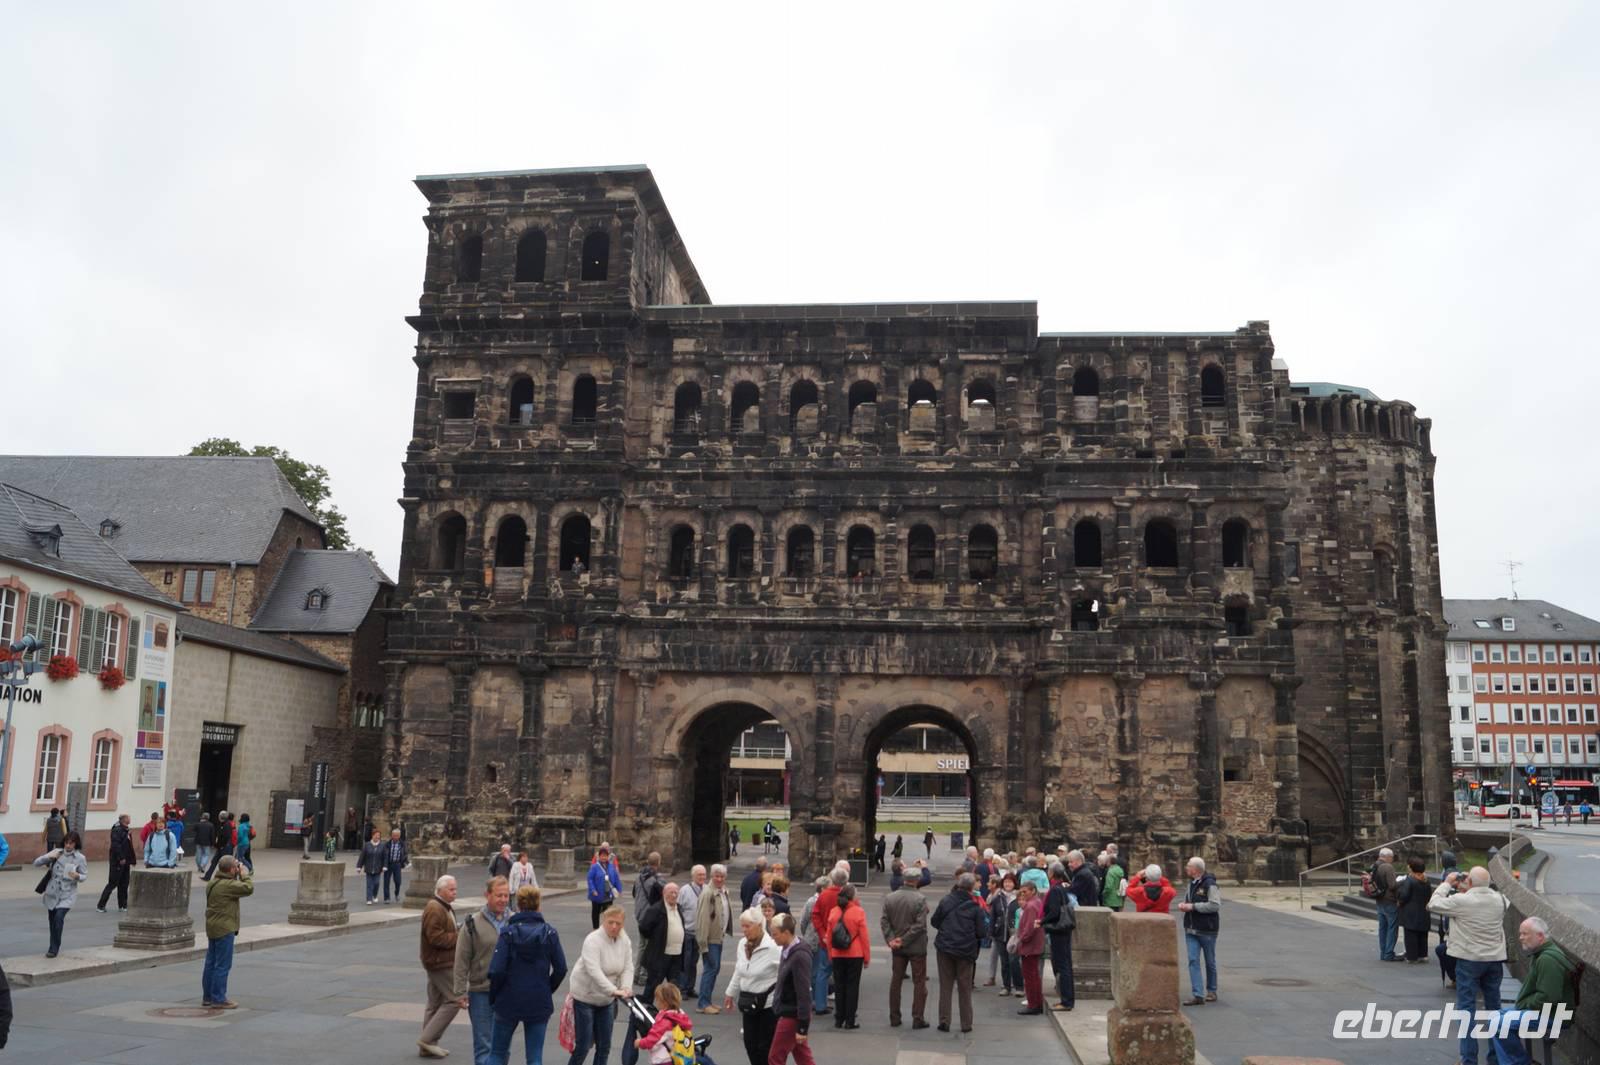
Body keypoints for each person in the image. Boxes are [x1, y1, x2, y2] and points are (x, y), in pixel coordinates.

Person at [1428, 866, 1510, 1065]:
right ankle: (1495, 1058)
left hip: (1469, 960)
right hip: (1494, 961)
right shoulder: (1501, 900)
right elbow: (1486, 895)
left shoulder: (1462, 901)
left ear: (1470, 882)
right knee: (1494, 1010)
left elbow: (1433, 904)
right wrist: (1473, 885)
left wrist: (1448, 882)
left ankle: (1469, 1059)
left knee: (1466, 1010)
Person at [487, 884, 568, 1065]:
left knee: (497, 1054)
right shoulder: (549, 933)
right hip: (538, 998)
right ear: (538, 904)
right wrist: (547, 988)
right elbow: (561, 968)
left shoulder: (508, 933)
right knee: (534, 1057)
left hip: (508, 998)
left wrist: (495, 995)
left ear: (518, 905)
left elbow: (496, 969)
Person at [1487, 916, 1578, 1065]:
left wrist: (1524, 1004)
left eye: (1525, 934)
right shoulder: (1542, 954)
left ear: (1540, 936)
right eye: (1520, 934)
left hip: (1554, 1015)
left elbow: (1549, 997)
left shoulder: (1547, 959)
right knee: (1494, 1017)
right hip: (1547, 1011)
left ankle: (1520, 1062)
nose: (1521, 938)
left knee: (1500, 1024)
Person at [456, 875, 512, 1065]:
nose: (503, 900)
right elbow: (461, 959)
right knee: (484, 1045)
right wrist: (460, 991)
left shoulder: (514, 922)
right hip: (481, 991)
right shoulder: (472, 923)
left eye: (506, 895)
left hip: (507, 992)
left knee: (503, 1047)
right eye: (499, 895)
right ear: (487, 895)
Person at [626, 881, 683, 1065]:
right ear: (664, 893)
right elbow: (644, 927)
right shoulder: (657, 909)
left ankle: (672, 1013)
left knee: (673, 986)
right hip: (660, 955)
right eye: (671, 892)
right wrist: (657, 938)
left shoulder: (679, 908)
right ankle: (647, 1013)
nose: (674, 895)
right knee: (653, 985)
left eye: (676, 892)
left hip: (675, 954)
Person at [569, 905, 634, 1065]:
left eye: (618, 923)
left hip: (607, 1000)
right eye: (610, 922)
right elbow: (594, 971)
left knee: (604, 1046)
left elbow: (628, 967)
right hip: (586, 996)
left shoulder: (624, 940)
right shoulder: (592, 940)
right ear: (604, 921)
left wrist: (626, 987)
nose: (614, 926)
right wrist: (614, 991)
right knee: (583, 1046)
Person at [724, 908, 780, 1065]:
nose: (744, 930)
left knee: (764, 1048)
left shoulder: (772, 947)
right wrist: (730, 993)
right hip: (748, 1002)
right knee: (750, 1044)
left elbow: (787, 971)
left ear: (759, 925)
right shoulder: (742, 944)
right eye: (742, 926)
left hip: (768, 1005)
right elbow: (739, 970)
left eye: (747, 926)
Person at [931, 872, 984, 1034]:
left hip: (945, 947)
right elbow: (981, 932)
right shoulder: (975, 907)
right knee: (965, 987)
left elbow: (934, 921)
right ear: (971, 887)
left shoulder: (946, 900)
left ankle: (944, 1021)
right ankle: (966, 1023)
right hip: (965, 950)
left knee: (945, 985)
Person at [880, 858, 930, 1029]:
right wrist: (904, 939)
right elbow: (920, 925)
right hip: (916, 946)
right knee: (919, 982)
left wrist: (891, 939)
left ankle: (894, 1017)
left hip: (897, 946)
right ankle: (918, 1018)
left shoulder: (890, 897)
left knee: (896, 981)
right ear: (916, 880)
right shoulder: (920, 899)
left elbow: (884, 921)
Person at [418, 874, 462, 1059]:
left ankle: (427, 1046)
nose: (455, 892)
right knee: (454, 1000)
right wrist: (459, 936)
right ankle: (427, 1040)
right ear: (440, 890)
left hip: (436, 960)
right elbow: (435, 938)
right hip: (439, 962)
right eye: (451, 889)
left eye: (455, 889)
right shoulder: (435, 908)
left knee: (434, 1003)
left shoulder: (442, 906)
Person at [201, 854, 252, 1008]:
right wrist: (244, 874)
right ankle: (218, 998)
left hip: (212, 926)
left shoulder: (213, 882)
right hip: (225, 928)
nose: (238, 868)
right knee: (222, 965)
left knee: (211, 963)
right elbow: (248, 888)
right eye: (236, 866)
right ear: (231, 870)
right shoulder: (228, 885)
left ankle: (208, 997)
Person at [768, 912, 815, 1065]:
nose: (772, 938)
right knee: (803, 1057)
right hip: (793, 1012)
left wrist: (802, 1027)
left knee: (775, 1057)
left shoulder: (799, 956)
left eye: (775, 934)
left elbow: (804, 992)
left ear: (786, 933)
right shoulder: (788, 948)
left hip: (792, 1014)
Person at [33, 831, 89, 958]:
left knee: (58, 918)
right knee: (52, 921)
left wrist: (78, 876)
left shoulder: (80, 858)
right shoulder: (57, 852)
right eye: (66, 842)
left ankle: (54, 948)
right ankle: (53, 945)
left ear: (76, 844)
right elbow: (36, 863)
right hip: (52, 892)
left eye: (71, 843)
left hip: (67, 894)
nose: (68, 845)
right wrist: (49, 857)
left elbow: (84, 875)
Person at [825, 882, 869, 1029]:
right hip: (855, 953)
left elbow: (829, 936)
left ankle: (839, 1018)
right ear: (852, 897)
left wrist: (830, 954)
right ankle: (850, 1020)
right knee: (852, 986)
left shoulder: (834, 912)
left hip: (837, 953)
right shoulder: (858, 912)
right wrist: (867, 957)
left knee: (839, 986)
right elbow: (864, 937)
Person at [1178, 857, 1220, 1006]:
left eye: (1188, 866)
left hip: (1207, 929)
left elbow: (1215, 905)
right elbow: (1190, 902)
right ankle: (1198, 994)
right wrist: (1185, 905)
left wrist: (1193, 907)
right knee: (1193, 960)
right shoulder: (1191, 883)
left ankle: (1212, 990)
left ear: (1195, 869)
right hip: (1191, 928)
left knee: (1210, 961)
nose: (1186, 868)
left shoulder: (1210, 884)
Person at [694, 863, 733, 1013]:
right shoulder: (708, 893)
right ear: (712, 876)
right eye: (717, 876)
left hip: (718, 937)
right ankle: (703, 1004)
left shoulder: (722, 891)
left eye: (722, 876)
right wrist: (703, 943)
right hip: (710, 939)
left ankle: (707, 1001)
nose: (719, 879)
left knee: (714, 969)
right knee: (710, 969)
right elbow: (703, 919)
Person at [1042, 863, 1076, 1012]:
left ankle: (1066, 1001)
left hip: (1059, 931)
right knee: (1066, 965)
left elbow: (1054, 912)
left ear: (1051, 873)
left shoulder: (1055, 890)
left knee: (1063, 966)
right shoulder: (1061, 887)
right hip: (1064, 930)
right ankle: (1068, 999)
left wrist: (1041, 922)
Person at [634, 984, 693, 1065]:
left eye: (657, 1000)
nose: (656, 1002)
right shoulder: (680, 1015)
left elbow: (652, 1040)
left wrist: (640, 1043)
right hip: (675, 1057)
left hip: (662, 1059)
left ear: (664, 1003)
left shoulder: (664, 1022)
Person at [1013, 880, 1046, 1015]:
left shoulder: (1030, 906)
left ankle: (1033, 1004)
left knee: (1030, 976)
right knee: (1034, 976)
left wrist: (1022, 939)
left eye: (1025, 891)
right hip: (1035, 944)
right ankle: (1037, 1003)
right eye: (1021, 892)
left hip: (1030, 946)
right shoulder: (1037, 902)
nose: (1023, 894)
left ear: (1033, 891)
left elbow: (1029, 928)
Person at [985, 872, 1018, 994]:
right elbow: (993, 915)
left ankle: (1017, 985)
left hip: (1014, 933)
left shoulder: (1019, 896)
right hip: (1000, 932)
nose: (1008, 884)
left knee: (1014, 960)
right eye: (1006, 882)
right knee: (1004, 961)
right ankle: (1006, 986)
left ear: (1014, 883)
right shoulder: (998, 897)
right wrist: (991, 931)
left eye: (1010, 882)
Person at [677, 865, 706, 999]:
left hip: (699, 933)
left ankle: (690, 987)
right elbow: (678, 909)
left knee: (694, 961)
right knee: (685, 962)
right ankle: (682, 988)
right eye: (699, 875)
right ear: (693, 876)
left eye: (703, 874)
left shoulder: (706, 889)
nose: (702, 877)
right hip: (687, 932)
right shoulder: (685, 890)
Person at [97, 813, 137, 912]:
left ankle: (123, 905)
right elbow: (116, 846)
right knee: (113, 883)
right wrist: (121, 857)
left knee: (124, 883)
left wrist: (131, 859)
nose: (130, 819)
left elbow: (128, 846)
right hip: (117, 862)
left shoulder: (126, 829)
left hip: (126, 861)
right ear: (124, 820)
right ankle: (101, 905)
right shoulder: (117, 830)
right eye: (128, 817)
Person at [1395, 856, 1431, 963]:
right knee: (1423, 934)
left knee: (1410, 934)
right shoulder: (1426, 880)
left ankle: (1412, 956)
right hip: (1424, 910)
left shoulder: (1410, 880)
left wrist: (1399, 900)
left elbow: (1404, 895)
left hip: (1410, 911)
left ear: (1411, 867)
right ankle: (1422, 955)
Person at [1371, 847, 1400, 962]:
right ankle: (1389, 953)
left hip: (1379, 899)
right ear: (1387, 857)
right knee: (1392, 927)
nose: (1392, 859)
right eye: (1392, 857)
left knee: (1382, 928)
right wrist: (1401, 881)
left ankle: (1383, 953)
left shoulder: (1375, 865)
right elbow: (1392, 885)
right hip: (1389, 900)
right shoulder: (1387, 867)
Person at [586, 844, 622, 928]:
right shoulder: (594, 867)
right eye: (602, 856)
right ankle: (595, 928)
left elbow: (616, 878)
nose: (604, 858)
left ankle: (606, 927)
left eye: (605, 856)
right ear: (599, 857)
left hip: (608, 893)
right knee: (596, 911)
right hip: (597, 893)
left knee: (608, 912)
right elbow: (590, 879)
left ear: (608, 857)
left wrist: (619, 889)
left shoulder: (611, 866)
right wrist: (593, 890)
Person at [357, 829, 385, 904]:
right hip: (369, 867)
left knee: (376, 883)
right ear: (372, 836)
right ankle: (369, 899)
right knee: (369, 884)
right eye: (376, 835)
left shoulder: (382, 845)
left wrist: (384, 866)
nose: (377, 837)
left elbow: (384, 857)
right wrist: (359, 866)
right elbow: (362, 856)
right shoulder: (367, 845)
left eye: (379, 835)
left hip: (378, 868)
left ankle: (374, 895)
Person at [203, 812, 234, 881]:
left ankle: (230, 877)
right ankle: (207, 876)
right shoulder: (223, 824)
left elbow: (226, 837)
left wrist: (221, 845)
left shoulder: (226, 825)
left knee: (226, 863)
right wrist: (217, 845)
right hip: (221, 847)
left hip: (224, 847)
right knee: (214, 861)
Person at [383, 828, 409, 903]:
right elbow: (384, 854)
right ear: (392, 835)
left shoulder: (402, 844)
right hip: (388, 864)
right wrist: (383, 864)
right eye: (394, 835)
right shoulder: (387, 844)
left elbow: (405, 853)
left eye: (397, 836)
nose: (395, 837)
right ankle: (387, 898)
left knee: (398, 881)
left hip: (397, 864)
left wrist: (405, 861)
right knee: (386, 881)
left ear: (399, 836)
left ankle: (397, 893)